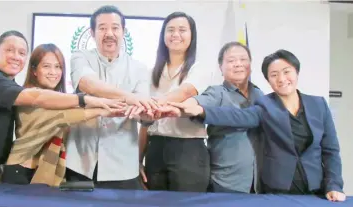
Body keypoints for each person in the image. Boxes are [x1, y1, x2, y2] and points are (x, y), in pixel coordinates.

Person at [0, 30, 123, 183]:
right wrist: (96, 104)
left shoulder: (11, 86)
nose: (16, 57)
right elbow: (57, 113)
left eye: (22, 53)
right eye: (10, 50)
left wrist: (118, 108)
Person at [169, 49, 346, 202]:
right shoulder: (265, 105)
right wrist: (200, 110)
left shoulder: (319, 104)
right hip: (278, 189)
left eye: (286, 72)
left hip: (316, 189)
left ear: (296, 72)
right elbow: (236, 116)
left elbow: (330, 150)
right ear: (268, 80)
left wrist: (334, 185)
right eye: (274, 74)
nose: (282, 78)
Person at [1, 43, 125, 186]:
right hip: (21, 171)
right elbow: (61, 117)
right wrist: (101, 110)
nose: (53, 72)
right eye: (46, 66)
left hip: (47, 170)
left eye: (58, 66)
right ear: (34, 70)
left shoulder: (61, 99)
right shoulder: (29, 96)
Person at [65, 5, 158, 190]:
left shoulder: (139, 68)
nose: (109, 33)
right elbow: (87, 84)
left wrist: (146, 116)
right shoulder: (80, 56)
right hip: (80, 162)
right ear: (92, 32)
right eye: (102, 28)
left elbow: (142, 111)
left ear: (123, 31)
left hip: (122, 166)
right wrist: (130, 98)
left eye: (115, 28)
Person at [165, 42, 264, 193]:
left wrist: (200, 109)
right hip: (226, 182)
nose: (238, 64)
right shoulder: (217, 92)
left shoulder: (259, 94)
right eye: (231, 61)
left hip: (258, 183)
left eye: (243, 59)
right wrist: (187, 106)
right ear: (221, 68)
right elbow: (199, 101)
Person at [138, 12, 212, 192]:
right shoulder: (151, 73)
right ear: (163, 36)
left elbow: (185, 91)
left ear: (191, 36)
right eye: (170, 30)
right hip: (155, 148)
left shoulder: (199, 68)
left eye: (182, 30)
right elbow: (146, 123)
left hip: (188, 150)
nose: (175, 34)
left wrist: (153, 103)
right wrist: (139, 159)